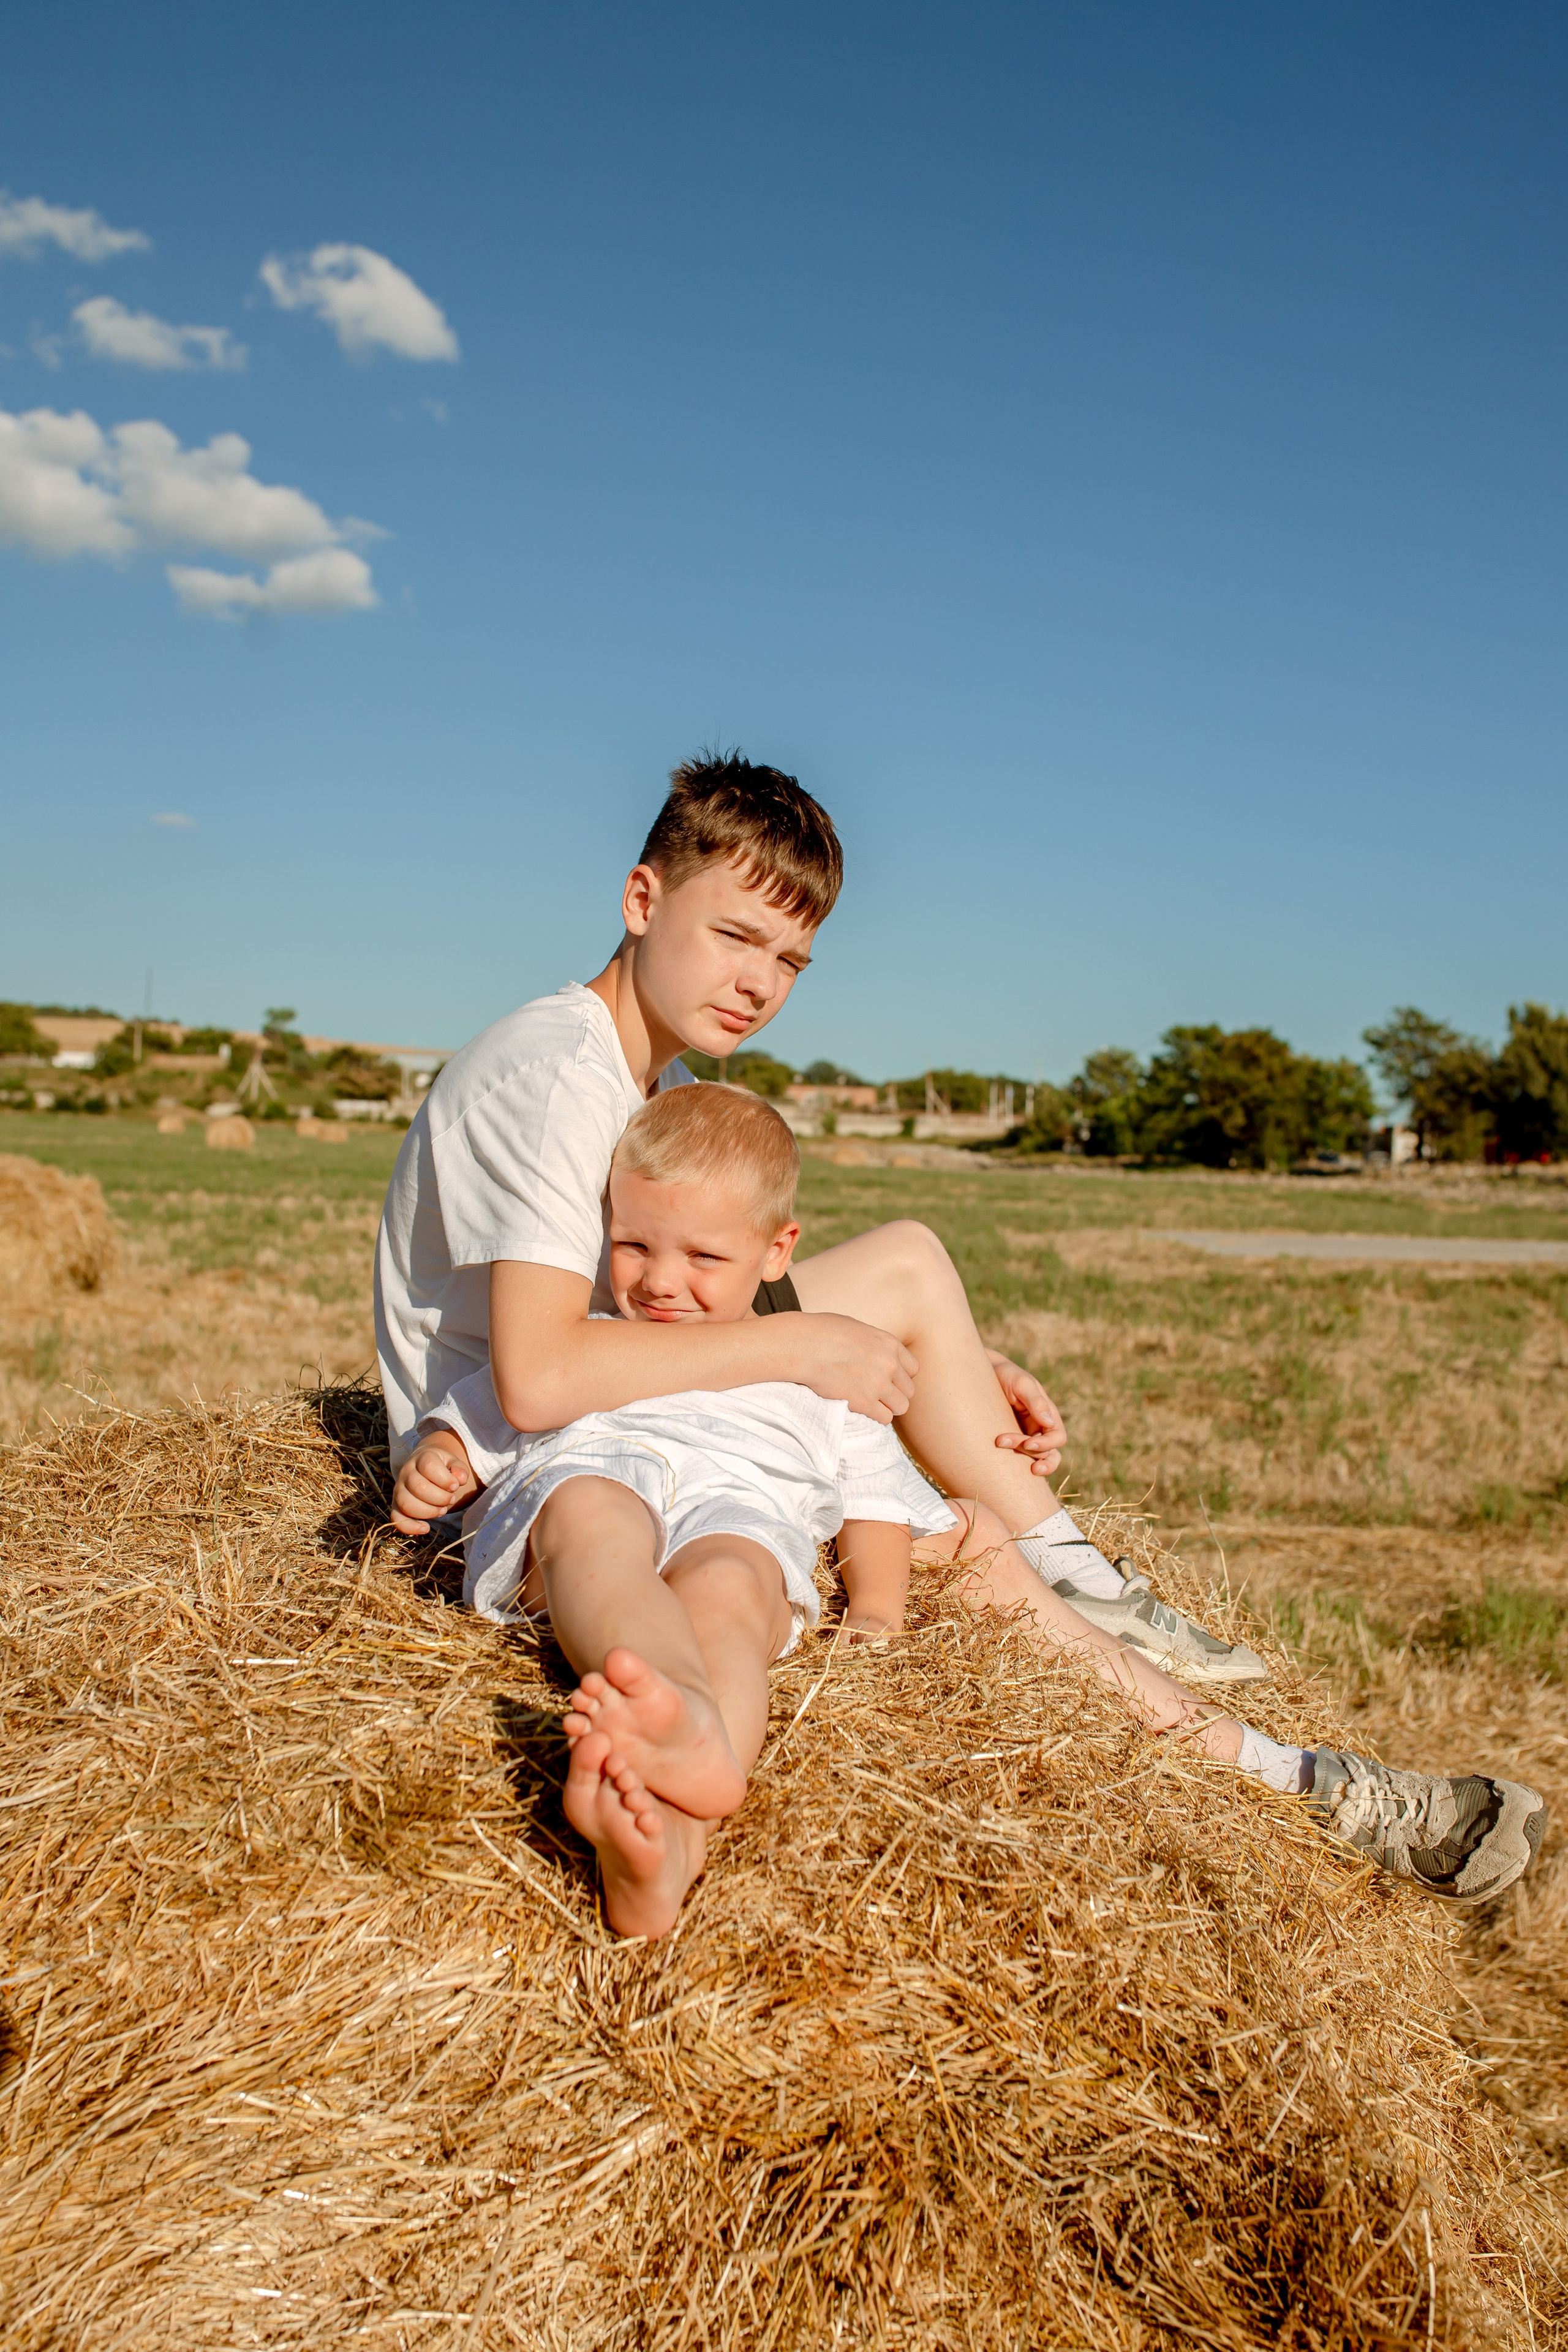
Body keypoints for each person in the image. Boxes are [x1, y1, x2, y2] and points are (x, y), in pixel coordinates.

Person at [393, 1087, 1548, 1935]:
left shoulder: (814, 1357)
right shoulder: (587, 1261)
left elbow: (871, 1493)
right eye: (632, 1245)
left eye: (699, 1254)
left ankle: (689, 1792)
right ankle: (675, 1710)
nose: (656, 1278)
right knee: (599, 1536)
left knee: (737, 1592)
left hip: (743, 1504)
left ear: (772, 1253)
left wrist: (883, 1609)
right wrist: (445, 1453)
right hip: (600, 1470)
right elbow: (509, 1390)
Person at [375, 748, 1257, 1686]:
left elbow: (682, 1294)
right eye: (735, 937)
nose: (760, 984)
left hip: (631, 1392)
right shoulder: (557, 1078)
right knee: (857, 1368)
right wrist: (807, 1349)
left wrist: (940, 1363)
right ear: (642, 902)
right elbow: (541, 1380)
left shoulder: (661, 1081)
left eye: (790, 959)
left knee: (908, 1264)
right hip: (508, 1462)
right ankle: (1071, 1597)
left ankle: (1083, 1581)